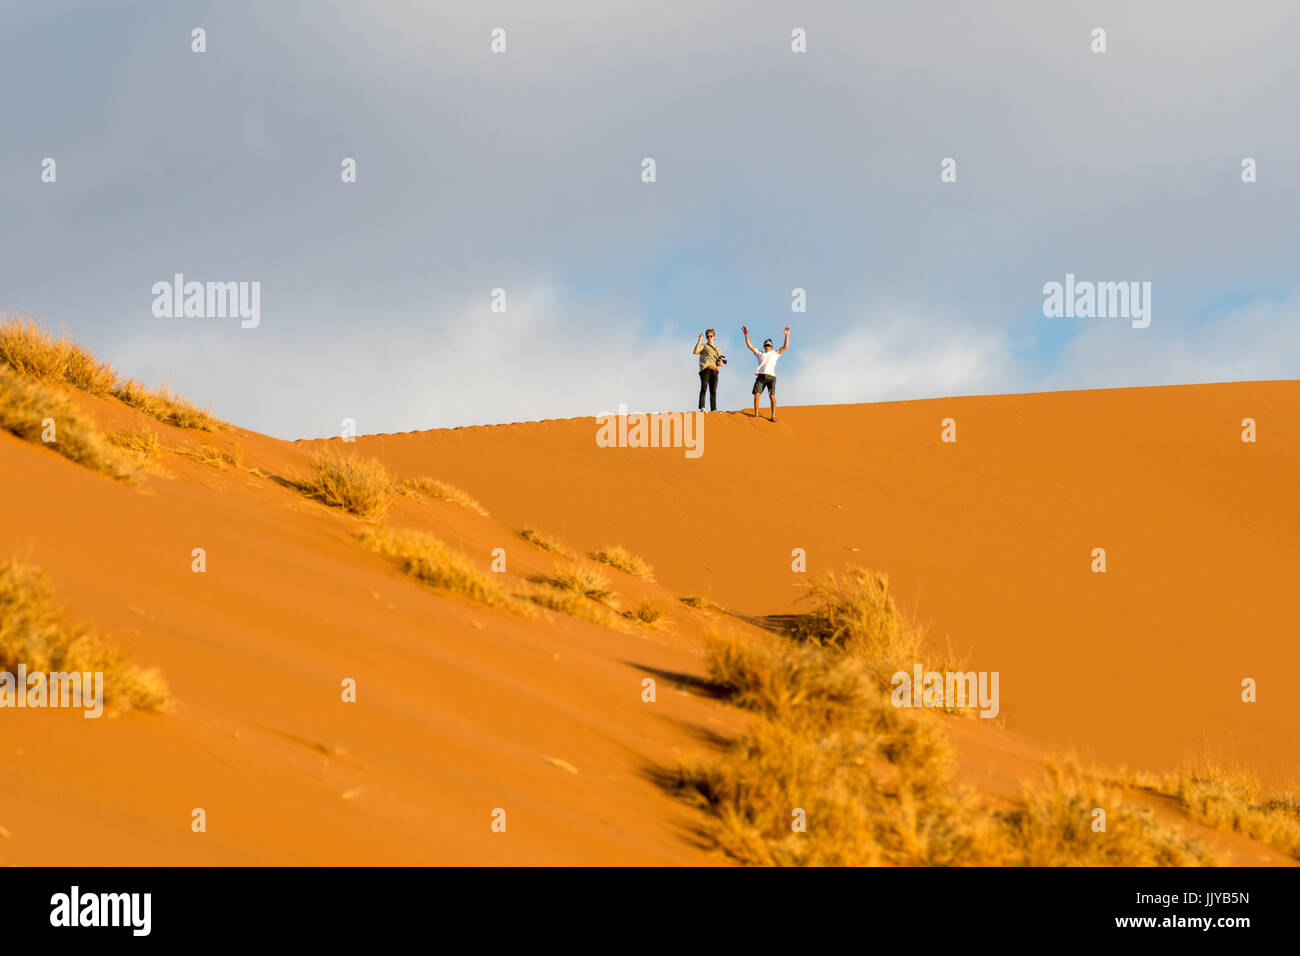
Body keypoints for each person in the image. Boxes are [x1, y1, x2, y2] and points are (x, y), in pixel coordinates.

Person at [743, 325, 789, 421]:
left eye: (769, 345)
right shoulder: (760, 353)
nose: (767, 346)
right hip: (761, 376)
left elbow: (785, 347)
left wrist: (786, 335)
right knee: (757, 395)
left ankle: (773, 416)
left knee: (772, 396)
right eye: (766, 345)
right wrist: (746, 334)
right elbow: (750, 346)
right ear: (764, 346)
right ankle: (756, 414)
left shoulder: (775, 353)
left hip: (771, 377)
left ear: (771, 346)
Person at [692, 328, 724, 411]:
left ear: (714, 337)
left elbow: (720, 362)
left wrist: (721, 363)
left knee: (713, 390)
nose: (709, 337)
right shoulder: (704, 346)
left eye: (711, 336)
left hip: (714, 369)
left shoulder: (718, 349)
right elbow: (695, 352)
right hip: (705, 368)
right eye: (708, 336)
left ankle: (714, 409)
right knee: (704, 387)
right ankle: (702, 407)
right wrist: (699, 340)